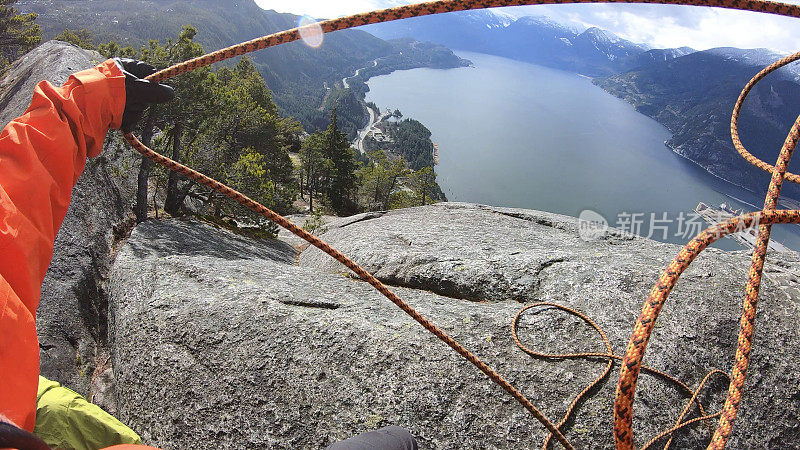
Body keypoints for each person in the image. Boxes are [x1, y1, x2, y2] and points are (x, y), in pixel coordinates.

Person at [0, 58, 417, 450]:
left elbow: (13, 199)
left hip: (23, 402)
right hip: (21, 408)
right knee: (401, 442)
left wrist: (92, 98)